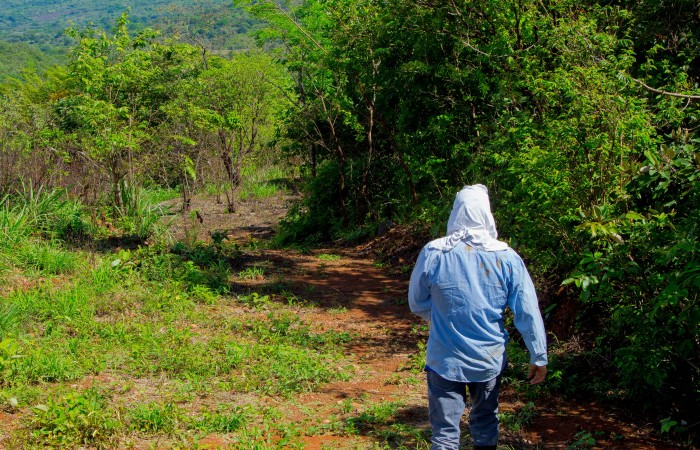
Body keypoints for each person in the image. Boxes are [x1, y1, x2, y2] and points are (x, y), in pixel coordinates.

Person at [408, 184, 548, 450]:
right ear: (487, 214)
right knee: (484, 425)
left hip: (443, 359)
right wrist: (538, 355)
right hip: (488, 361)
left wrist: (438, 317)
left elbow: (416, 302)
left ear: (455, 212)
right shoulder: (507, 257)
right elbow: (527, 311)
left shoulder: (434, 253)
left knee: (444, 435)